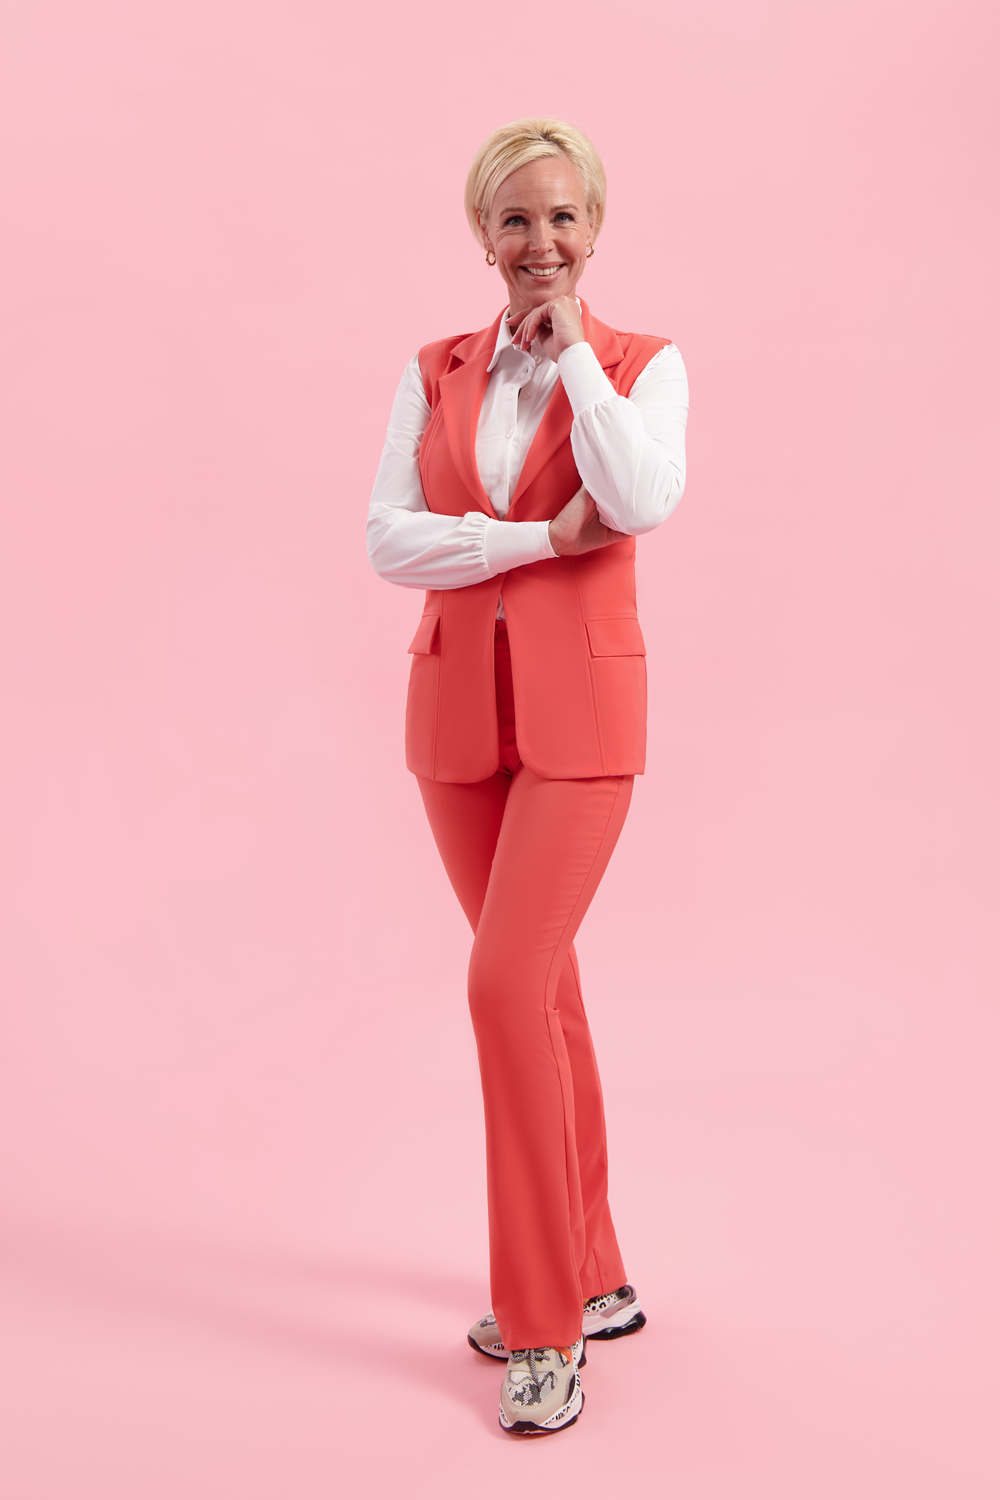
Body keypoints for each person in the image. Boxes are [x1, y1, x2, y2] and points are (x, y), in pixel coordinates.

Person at [367, 118, 689, 1435]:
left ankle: (545, 1324)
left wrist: (580, 376)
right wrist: (534, 541)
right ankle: (597, 1271)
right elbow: (388, 539)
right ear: (482, 235)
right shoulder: (432, 370)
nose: (540, 241)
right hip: (456, 720)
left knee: (503, 985)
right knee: (544, 993)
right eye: (515, 219)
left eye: (563, 217)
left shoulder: (644, 366)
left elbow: (642, 499)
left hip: (582, 724)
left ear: (594, 228)